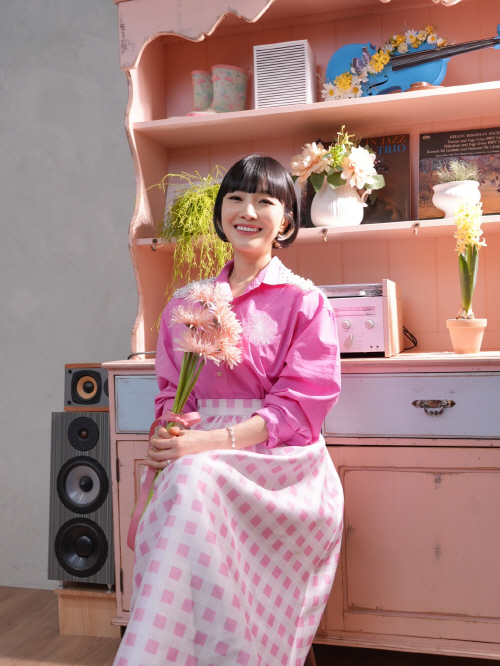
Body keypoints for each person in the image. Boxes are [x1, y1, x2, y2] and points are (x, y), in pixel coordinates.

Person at [113, 155, 344, 666]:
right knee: (188, 480)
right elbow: (171, 396)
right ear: (220, 213)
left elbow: (301, 406)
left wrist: (207, 444)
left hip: (281, 462)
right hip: (197, 454)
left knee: (192, 479)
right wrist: (169, 433)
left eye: (265, 201)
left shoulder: (306, 302)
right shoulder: (186, 304)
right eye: (235, 198)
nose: (248, 211)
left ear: (286, 220)